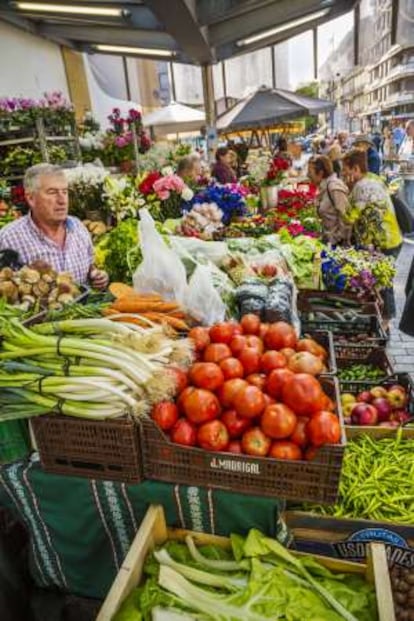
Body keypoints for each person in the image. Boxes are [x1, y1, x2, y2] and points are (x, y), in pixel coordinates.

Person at [0, 163, 108, 288]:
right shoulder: (9, 238)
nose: (62, 200)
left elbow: (90, 267)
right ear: (31, 198)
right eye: (52, 192)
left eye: (65, 192)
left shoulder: (78, 227)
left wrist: (96, 275)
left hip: (85, 307)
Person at [342, 149, 402, 321]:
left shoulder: (362, 186)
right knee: (380, 281)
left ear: (355, 168)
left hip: (384, 242)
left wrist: (341, 204)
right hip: (392, 237)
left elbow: (349, 217)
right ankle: (382, 317)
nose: (344, 173)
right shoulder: (374, 178)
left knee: (383, 282)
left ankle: (386, 321)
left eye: (346, 169)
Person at [307, 155, 351, 245]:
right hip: (328, 241)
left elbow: (346, 218)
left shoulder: (334, 188)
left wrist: (336, 238)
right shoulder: (324, 186)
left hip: (337, 244)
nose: (308, 175)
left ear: (320, 173)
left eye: (310, 172)